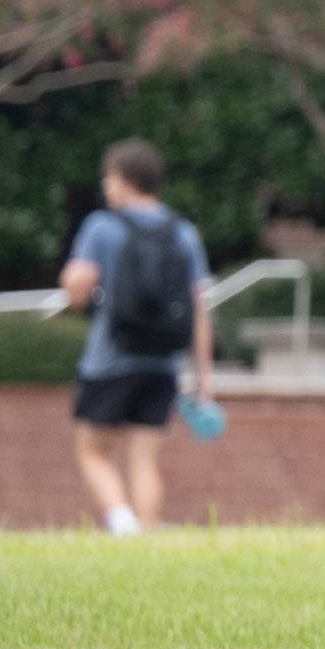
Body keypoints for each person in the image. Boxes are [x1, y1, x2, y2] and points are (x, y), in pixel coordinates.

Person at [55, 144, 215, 535]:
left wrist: (75, 293)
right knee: (145, 459)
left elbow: (76, 286)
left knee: (93, 451)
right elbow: (199, 311)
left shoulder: (101, 227)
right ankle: (146, 534)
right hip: (162, 363)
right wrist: (204, 383)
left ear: (125, 180)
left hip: (109, 360)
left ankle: (122, 522)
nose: (105, 187)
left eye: (108, 178)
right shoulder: (184, 233)